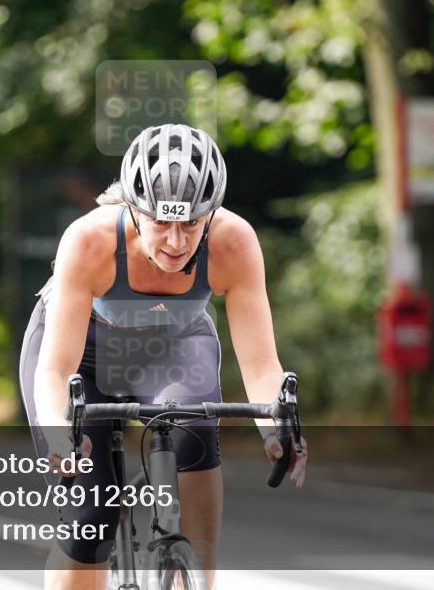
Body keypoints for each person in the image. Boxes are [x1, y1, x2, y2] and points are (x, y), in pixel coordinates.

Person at [20, 124, 308, 590]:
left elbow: (260, 365)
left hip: (173, 345)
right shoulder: (89, 241)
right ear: (132, 210)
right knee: (92, 516)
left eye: (192, 223)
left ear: (211, 215)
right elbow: (55, 369)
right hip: (84, 354)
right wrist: (60, 439)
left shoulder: (234, 242)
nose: (176, 242)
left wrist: (276, 428)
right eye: (160, 223)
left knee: (195, 435)